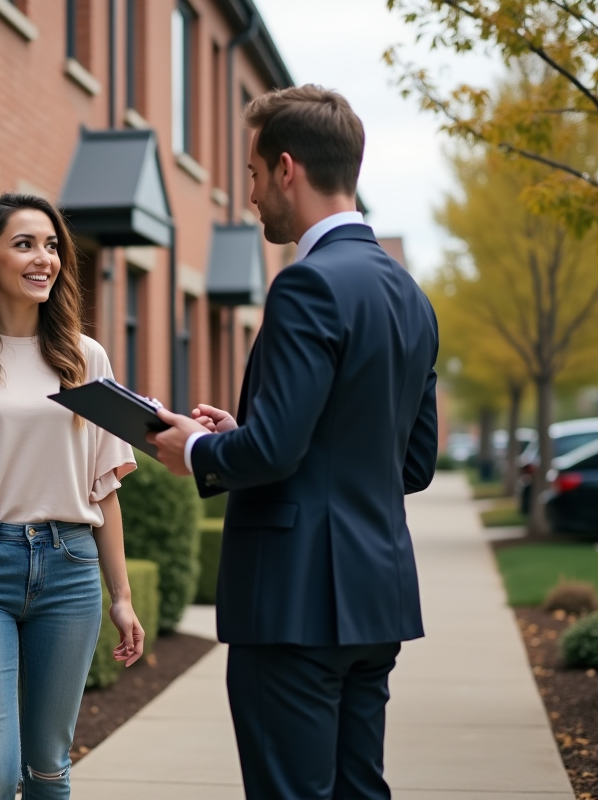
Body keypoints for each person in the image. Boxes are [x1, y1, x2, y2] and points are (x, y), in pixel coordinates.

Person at [149, 86, 439, 800]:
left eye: (250, 175)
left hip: (293, 605)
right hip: (375, 601)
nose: (248, 196)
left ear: (286, 168)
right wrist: (245, 437)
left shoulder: (307, 284)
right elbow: (413, 462)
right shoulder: (410, 296)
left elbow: (277, 453)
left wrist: (194, 450)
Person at [0, 193, 144, 800]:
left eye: (52, 245)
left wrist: (123, 597)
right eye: (25, 244)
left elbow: (104, 487)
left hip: (70, 568)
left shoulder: (85, 358)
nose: (45, 259)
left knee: (50, 765)